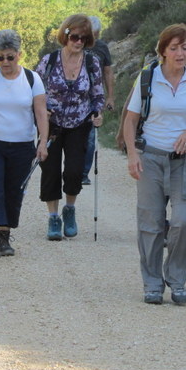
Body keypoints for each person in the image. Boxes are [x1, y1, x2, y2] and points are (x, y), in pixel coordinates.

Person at [122, 24, 186, 305]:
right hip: (151, 157)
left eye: (184, 48)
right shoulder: (148, 79)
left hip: (184, 162)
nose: (180, 53)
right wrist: (132, 154)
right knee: (150, 223)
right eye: (173, 48)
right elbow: (130, 120)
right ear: (163, 51)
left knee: (183, 221)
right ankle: (152, 284)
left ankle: (176, 281)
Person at [0, 30, 48, 259]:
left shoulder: (32, 79)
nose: (5, 62)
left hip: (22, 145)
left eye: (9, 57)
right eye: (0, 57)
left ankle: (4, 235)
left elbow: (41, 113)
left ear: (19, 55)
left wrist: (43, 142)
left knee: (14, 190)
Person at [36, 14, 105, 240]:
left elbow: (97, 93)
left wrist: (98, 112)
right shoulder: (49, 60)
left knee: (75, 171)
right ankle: (53, 218)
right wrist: (41, 109)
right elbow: (34, 90)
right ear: (66, 35)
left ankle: (70, 210)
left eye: (84, 38)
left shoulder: (91, 62)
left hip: (79, 123)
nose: (79, 42)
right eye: (75, 37)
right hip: (52, 124)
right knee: (50, 171)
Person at [82, 15, 114, 185]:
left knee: (90, 137)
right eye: (90, 34)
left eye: (96, 34)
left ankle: (83, 173)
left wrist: (110, 96)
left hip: (95, 97)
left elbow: (108, 72)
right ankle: (72, 168)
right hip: (73, 98)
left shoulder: (102, 47)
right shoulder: (77, 44)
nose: (93, 38)